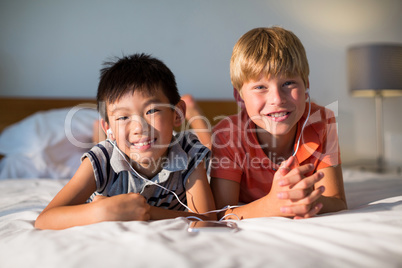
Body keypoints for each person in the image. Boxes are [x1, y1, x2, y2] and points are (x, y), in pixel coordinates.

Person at [35, 53, 216, 230]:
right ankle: (99, 130)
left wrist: (147, 211)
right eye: (123, 117)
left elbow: (207, 219)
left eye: (151, 111)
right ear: (109, 128)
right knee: (106, 145)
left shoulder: (187, 152)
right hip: (111, 144)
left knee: (211, 148)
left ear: (177, 114)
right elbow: (45, 219)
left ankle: (194, 114)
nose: (140, 127)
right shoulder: (101, 160)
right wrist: (99, 212)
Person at [210, 27, 347, 220]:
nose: (277, 99)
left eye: (288, 83)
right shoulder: (226, 135)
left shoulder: (323, 121)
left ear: (306, 85)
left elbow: (338, 201)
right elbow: (220, 213)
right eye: (260, 87)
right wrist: (273, 205)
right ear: (238, 97)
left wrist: (305, 202)